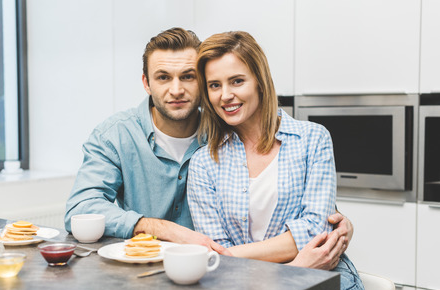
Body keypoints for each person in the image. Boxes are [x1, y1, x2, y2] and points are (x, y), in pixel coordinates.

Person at [64, 27, 352, 268]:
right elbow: (81, 208)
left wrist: (333, 226)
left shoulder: (229, 133)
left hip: (215, 274)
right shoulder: (115, 136)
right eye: (163, 77)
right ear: (146, 83)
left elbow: (306, 210)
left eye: (188, 76)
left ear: (201, 83)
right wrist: (162, 228)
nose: (176, 90)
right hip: (151, 271)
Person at [187, 31, 366, 290]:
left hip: (324, 283)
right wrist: (294, 266)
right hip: (246, 288)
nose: (225, 95)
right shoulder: (203, 163)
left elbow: (316, 230)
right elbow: (218, 261)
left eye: (237, 81)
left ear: (259, 81)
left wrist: (229, 255)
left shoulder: (312, 139)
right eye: (214, 85)